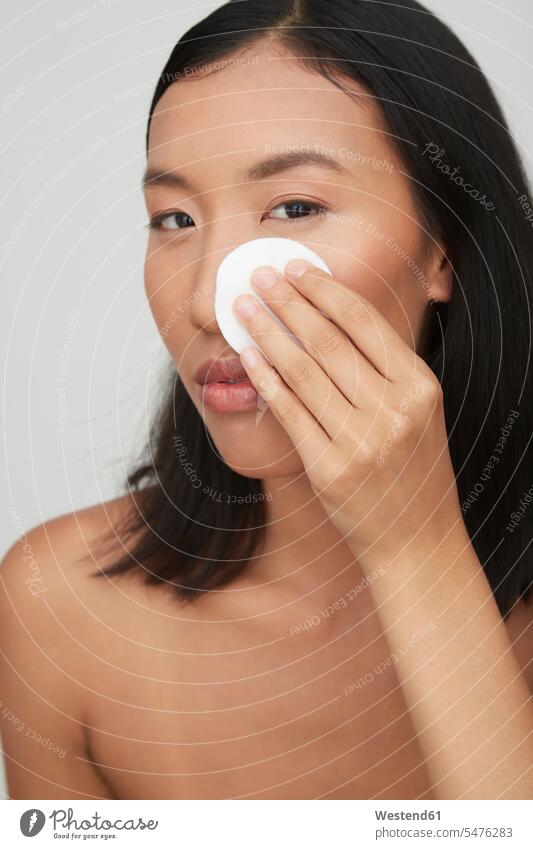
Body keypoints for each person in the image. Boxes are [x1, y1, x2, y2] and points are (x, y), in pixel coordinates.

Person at [1, 0, 532, 800]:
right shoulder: (61, 610)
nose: (207, 306)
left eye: (294, 208)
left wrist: (415, 549)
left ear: (442, 250)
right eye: (173, 218)